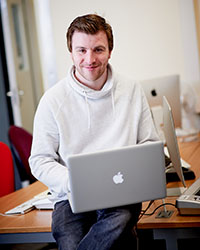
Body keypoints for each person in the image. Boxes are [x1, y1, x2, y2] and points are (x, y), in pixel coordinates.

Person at [29, 14, 159, 250]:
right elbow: (39, 160)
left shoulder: (131, 90)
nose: (89, 59)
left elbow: (149, 143)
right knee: (69, 241)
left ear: (110, 51)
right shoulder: (52, 100)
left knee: (120, 220)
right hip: (70, 197)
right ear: (71, 52)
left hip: (121, 192)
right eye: (81, 50)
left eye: (98, 49)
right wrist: (75, 181)